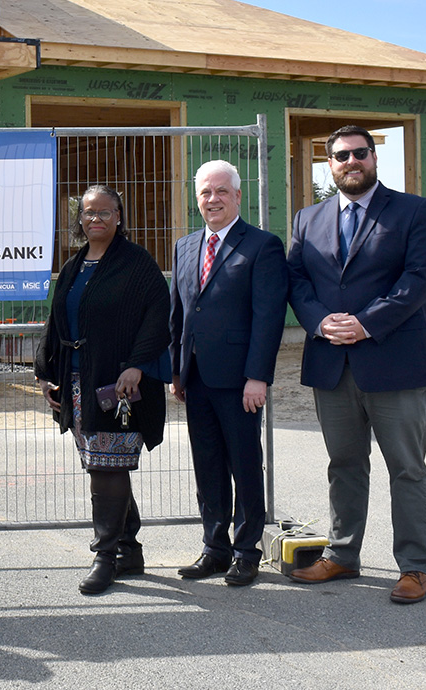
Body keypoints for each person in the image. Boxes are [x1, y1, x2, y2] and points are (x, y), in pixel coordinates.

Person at [286, 125, 426, 604]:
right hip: (332, 362)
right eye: (339, 155)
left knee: (407, 468)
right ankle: (342, 555)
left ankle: (415, 567)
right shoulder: (306, 219)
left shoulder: (413, 210)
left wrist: (367, 323)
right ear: (328, 163)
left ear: (373, 158)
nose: (350, 161)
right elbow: (295, 280)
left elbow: (421, 277)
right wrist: (318, 322)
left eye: (359, 153)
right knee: (345, 465)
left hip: (394, 360)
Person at [35, 185, 171, 595]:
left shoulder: (136, 262)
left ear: (119, 216)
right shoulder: (76, 264)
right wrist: (45, 372)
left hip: (118, 384)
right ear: (80, 219)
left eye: (104, 212)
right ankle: (128, 550)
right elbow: (56, 320)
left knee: (108, 466)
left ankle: (105, 556)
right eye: (88, 213)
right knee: (101, 464)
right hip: (77, 381)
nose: (96, 219)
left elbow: (157, 313)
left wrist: (137, 365)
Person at [169, 160, 288, 587]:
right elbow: (179, 313)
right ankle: (214, 549)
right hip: (196, 378)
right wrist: (176, 370)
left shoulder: (262, 246)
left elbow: (268, 317)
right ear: (196, 198)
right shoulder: (185, 246)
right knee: (208, 467)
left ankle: (246, 550)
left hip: (240, 381)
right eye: (205, 192)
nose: (213, 199)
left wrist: (258, 376)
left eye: (221, 191)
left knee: (244, 464)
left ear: (238, 196)